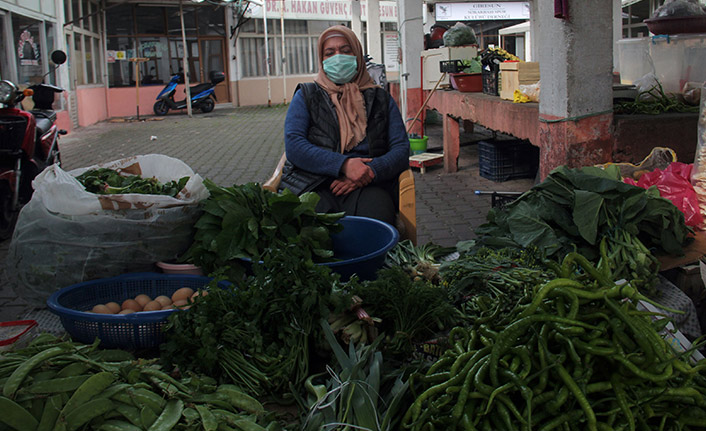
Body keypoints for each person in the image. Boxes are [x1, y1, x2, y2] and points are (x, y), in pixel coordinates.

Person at [280, 25, 409, 227]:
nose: (338, 57)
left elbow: (401, 149)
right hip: (315, 184)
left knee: (376, 226)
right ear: (322, 60)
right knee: (312, 234)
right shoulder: (306, 95)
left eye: (346, 51)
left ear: (357, 55)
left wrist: (370, 172)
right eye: (329, 53)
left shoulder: (380, 98)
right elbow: (295, 146)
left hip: (369, 186)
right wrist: (344, 165)